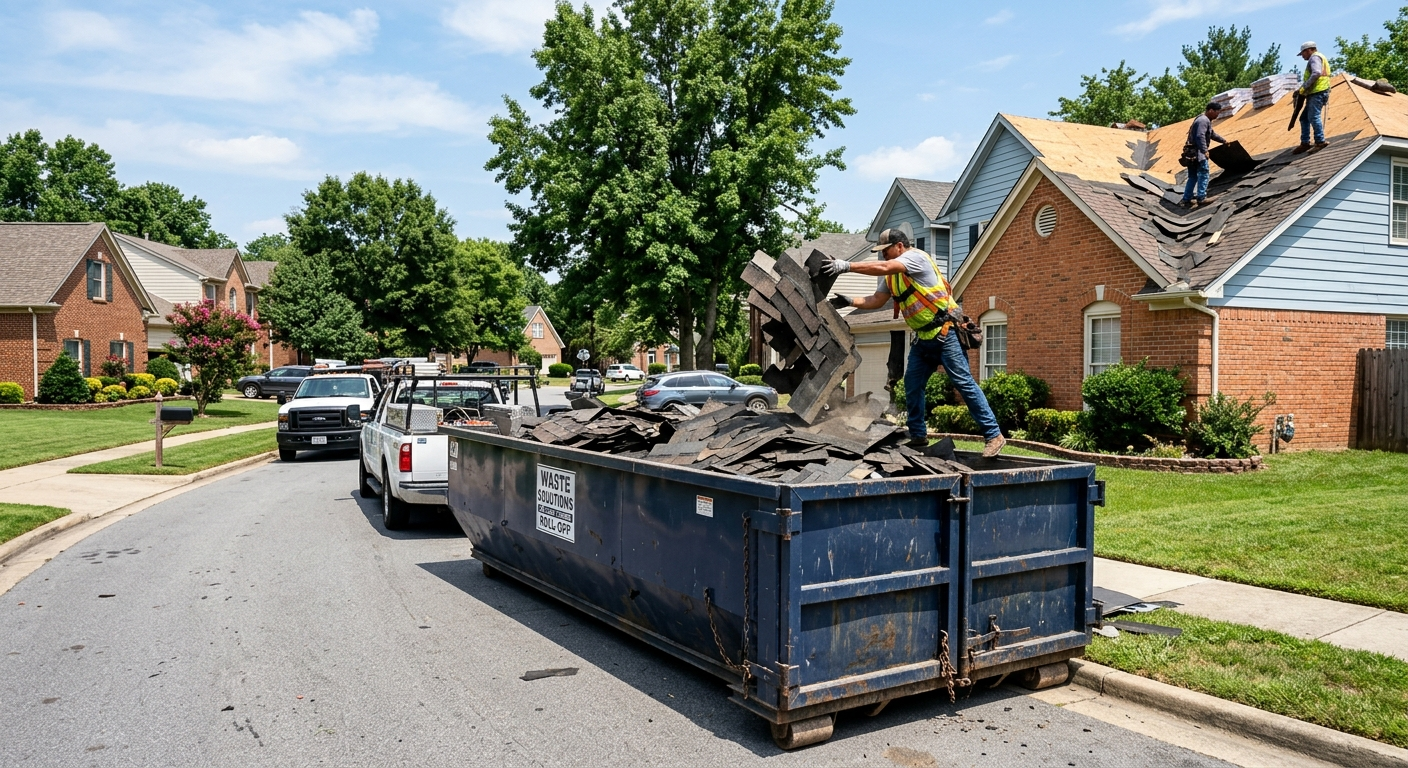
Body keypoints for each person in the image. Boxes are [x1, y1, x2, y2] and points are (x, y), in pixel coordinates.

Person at [823, 229, 1005, 457]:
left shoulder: (915, 258)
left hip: (945, 333)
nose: (884, 256)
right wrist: (851, 301)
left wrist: (845, 266)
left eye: (886, 251)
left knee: (964, 383)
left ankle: (994, 435)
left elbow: (885, 267)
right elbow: (877, 300)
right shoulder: (893, 277)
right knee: (911, 384)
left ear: (899, 246)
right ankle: (918, 436)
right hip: (923, 339)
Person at [1181, 102, 1227, 208]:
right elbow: (1200, 136)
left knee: (1192, 177)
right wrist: (1205, 150)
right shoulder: (1203, 120)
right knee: (1204, 173)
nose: (1217, 115)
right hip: (1197, 153)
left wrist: (1223, 141)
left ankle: (1186, 199)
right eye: (1217, 112)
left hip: (1190, 153)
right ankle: (1201, 198)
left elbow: (1211, 134)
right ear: (1211, 110)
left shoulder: (1202, 119)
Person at [1294, 41, 1332, 155]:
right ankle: (1305, 142)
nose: (1303, 56)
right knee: (1304, 118)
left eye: (1303, 54)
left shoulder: (1314, 58)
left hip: (1318, 92)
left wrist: (1304, 87)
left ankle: (1320, 141)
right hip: (1317, 92)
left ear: (1309, 50)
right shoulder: (1319, 57)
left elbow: (1316, 73)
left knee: (1313, 116)